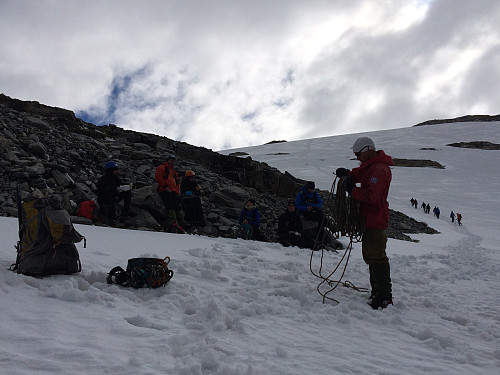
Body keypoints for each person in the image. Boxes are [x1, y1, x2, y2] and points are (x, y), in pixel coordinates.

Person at [336, 136, 394, 310]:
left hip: (375, 218)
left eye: (358, 154)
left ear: (367, 150)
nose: (357, 158)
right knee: (371, 256)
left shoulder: (379, 170)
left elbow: (372, 196)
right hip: (370, 218)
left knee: (376, 257)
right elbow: (361, 172)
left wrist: (352, 190)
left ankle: (384, 296)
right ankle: (377, 292)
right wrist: (348, 174)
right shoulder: (372, 167)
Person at [155, 154, 189, 232]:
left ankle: (182, 222)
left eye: (173, 160)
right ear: (167, 160)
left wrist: (176, 191)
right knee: (170, 205)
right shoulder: (161, 168)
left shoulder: (173, 171)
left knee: (177, 206)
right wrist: (165, 186)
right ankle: (173, 223)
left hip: (173, 191)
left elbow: (177, 183)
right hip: (164, 190)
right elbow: (158, 179)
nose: (172, 162)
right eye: (171, 160)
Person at [295, 181, 325, 247]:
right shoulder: (301, 194)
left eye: (312, 189)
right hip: (304, 212)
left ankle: (321, 238)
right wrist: (306, 208)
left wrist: (315, 207)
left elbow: (320, 202)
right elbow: (297, 206)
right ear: (307, 188)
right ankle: (319, 238)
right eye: (310, 189)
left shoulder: (314, 194)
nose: (311, 190)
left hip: (313, 210)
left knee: (322, 216)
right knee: (321, 217)